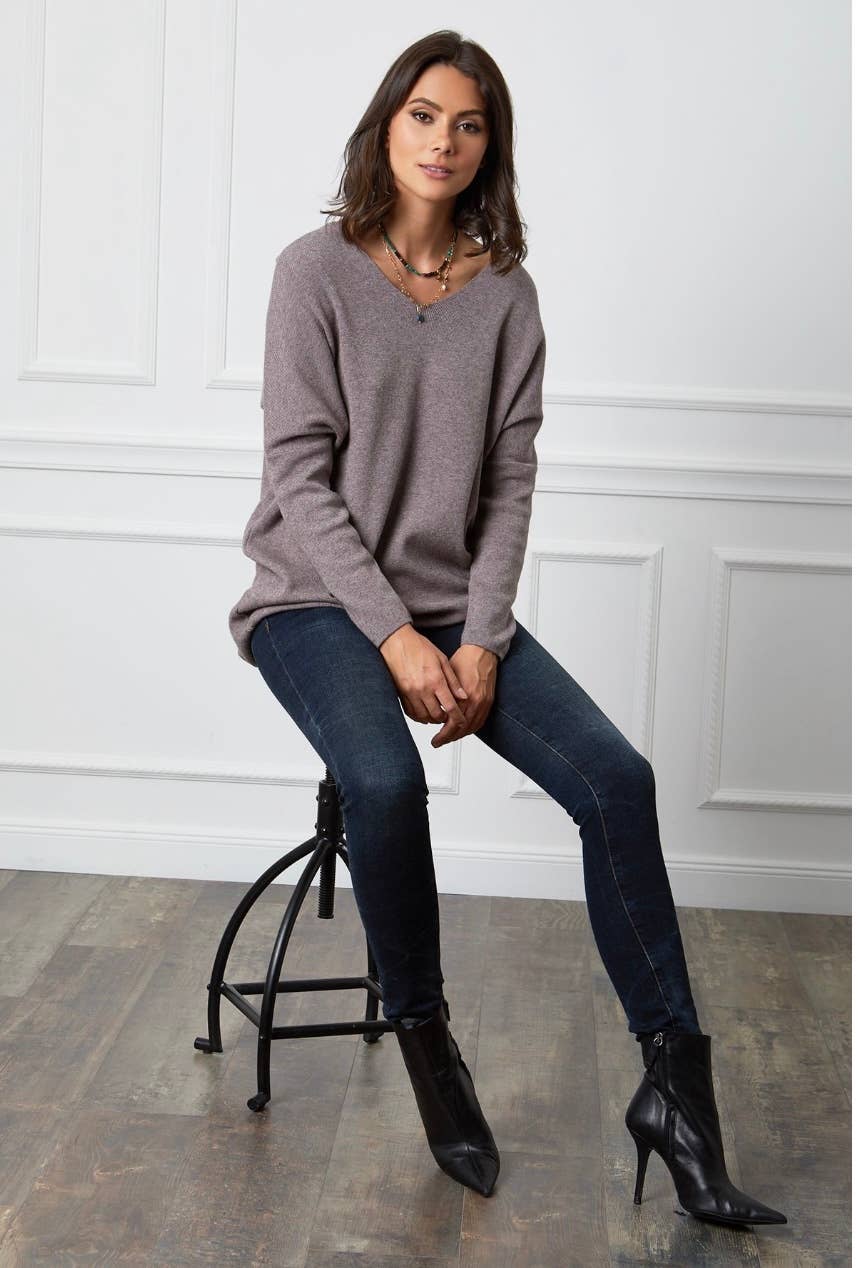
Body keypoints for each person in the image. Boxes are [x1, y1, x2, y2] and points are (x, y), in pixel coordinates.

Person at [228, 30, 787, 1225]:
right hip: (314, 599)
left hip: (454, 607)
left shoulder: (506, 297)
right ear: (388, 124)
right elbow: (303, 479)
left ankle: (679, 1096)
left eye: (468, 124)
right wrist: (395, 639)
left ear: (491, 149)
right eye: (425, 115)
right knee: (382, 782)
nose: (443, 140)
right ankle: (427, 1036)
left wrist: (479, 639)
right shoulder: (310, 273)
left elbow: (508, 485)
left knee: (617, 778)